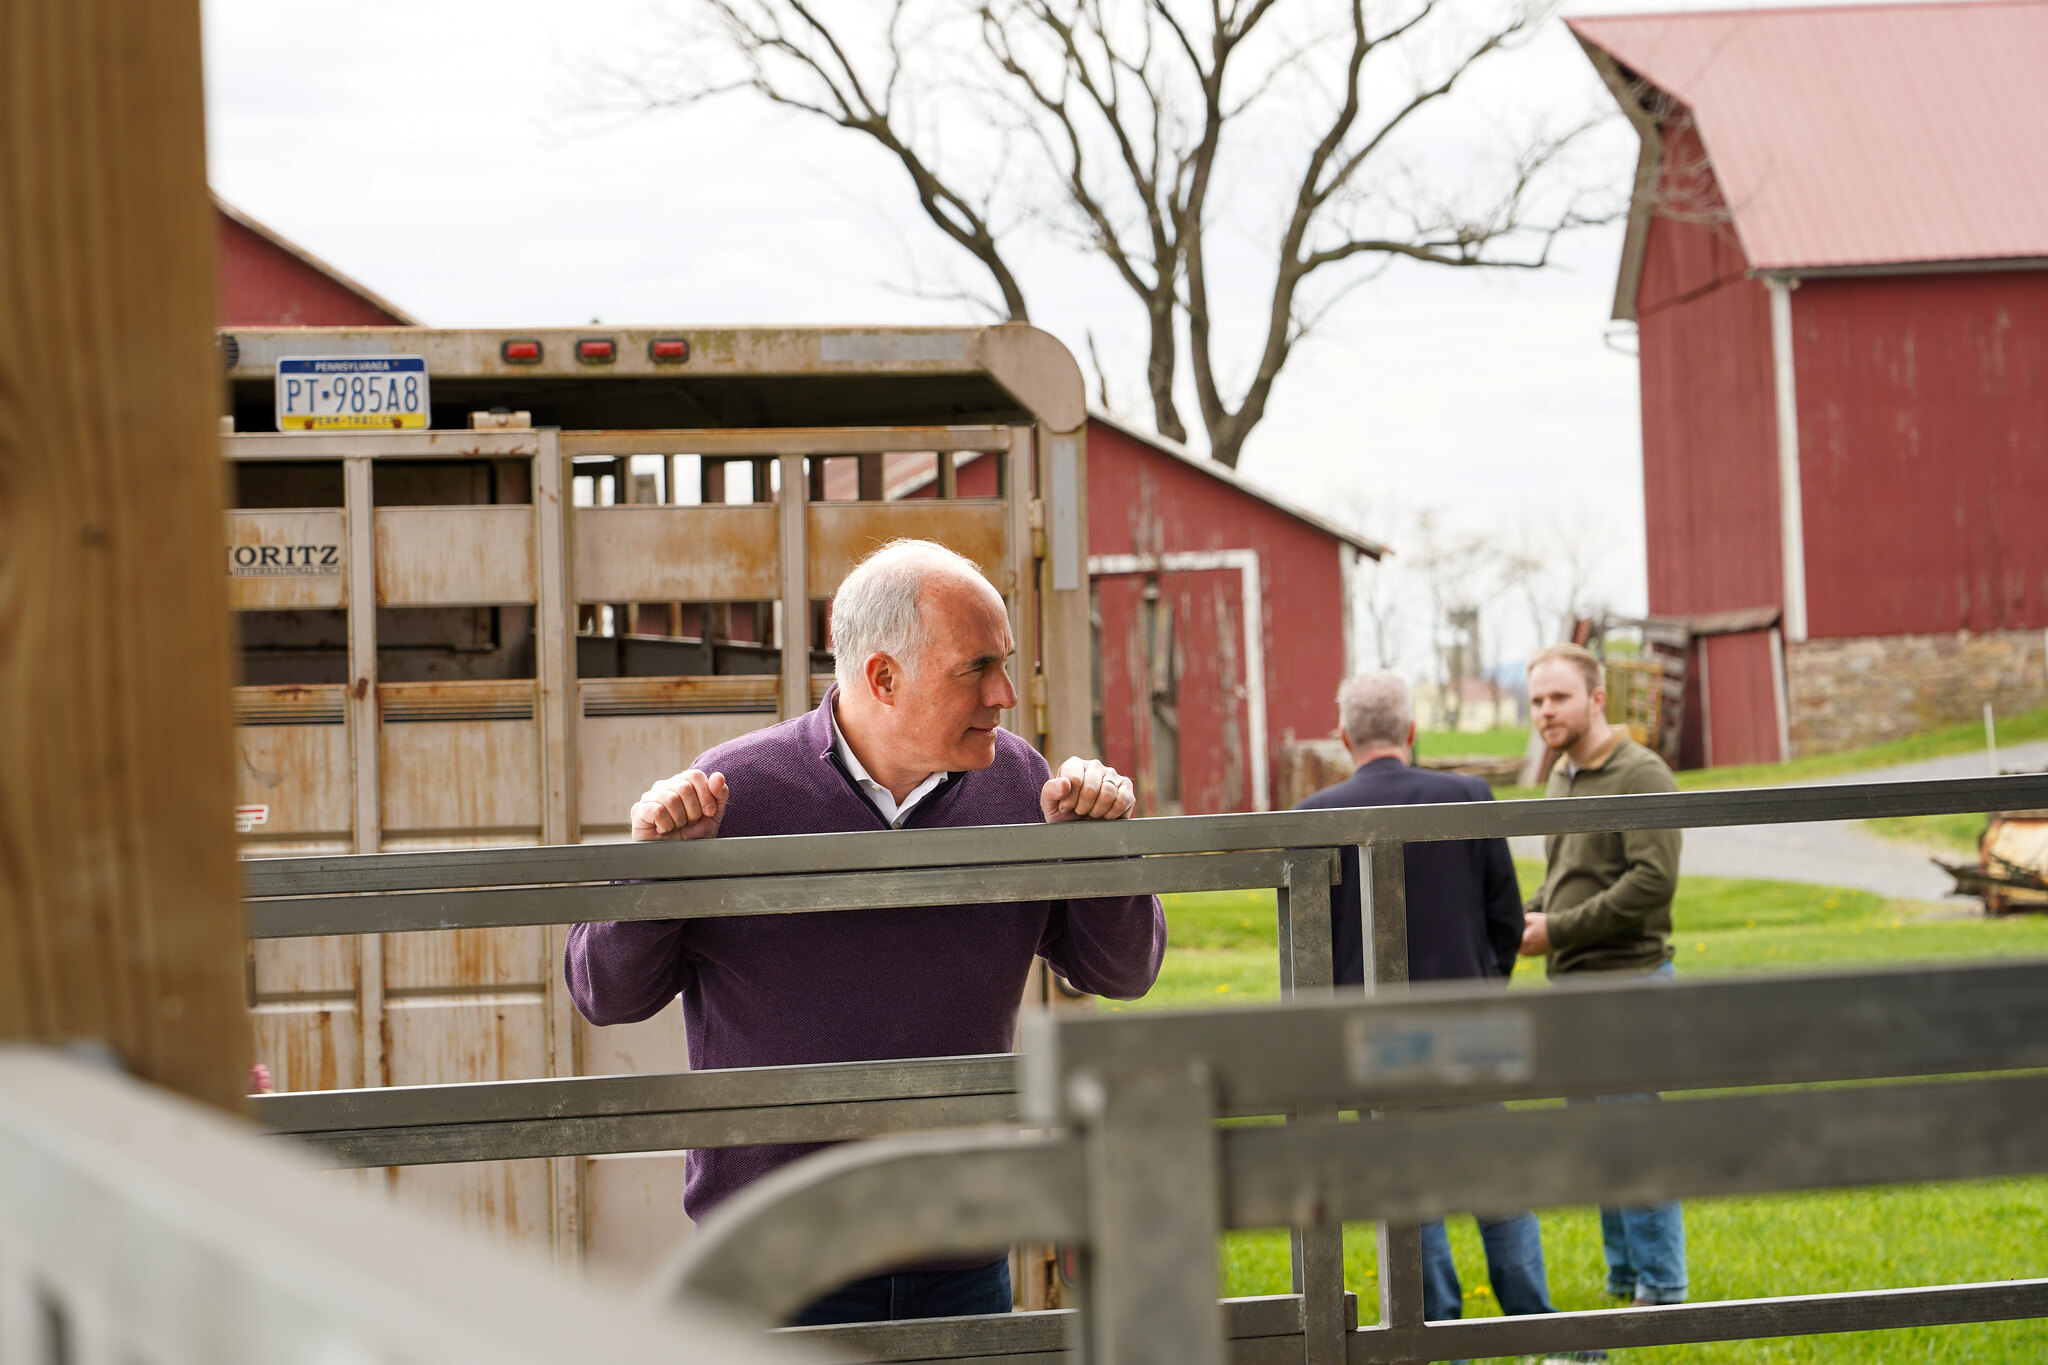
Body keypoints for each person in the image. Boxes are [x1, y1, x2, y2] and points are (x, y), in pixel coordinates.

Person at [565, 539, 1166, 1327]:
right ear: (883, 676)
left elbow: (1125, 972)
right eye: (976, 668)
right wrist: (655, 872)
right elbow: (603, 992)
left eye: (1005, 663)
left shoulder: (1023, 784)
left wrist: (1104, 853)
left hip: (961, 1253)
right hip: (775, 1257)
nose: (1006, 693)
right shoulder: (731, 793)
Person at [1295, 672, 1562, 1342]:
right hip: (1467, 1022)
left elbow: (1308, 945)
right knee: (1496, 1182)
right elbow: (1506, 916)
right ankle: (1539, 1329)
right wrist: (1484, 985)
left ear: (1343, 735)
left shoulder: (1313, 815)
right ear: (1413, 731)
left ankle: (1434, 1333)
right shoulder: (1468, 796)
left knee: (1412, 1192)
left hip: (1371, 1037)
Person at [1521, 642, 1688, 1308]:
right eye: (1536, 699)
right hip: (1571, 983)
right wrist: (1528, 912)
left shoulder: (1641, 774)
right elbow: (1569, 877)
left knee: (1635, 1139)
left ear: (1597, 699)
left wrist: (1556, 928)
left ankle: (1664, 1287)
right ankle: (1627, 1277)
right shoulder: (1561, 774)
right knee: (1598, 1143)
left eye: (1559, 697)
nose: (1545, 711)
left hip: (1628, 981)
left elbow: (1653, 882)